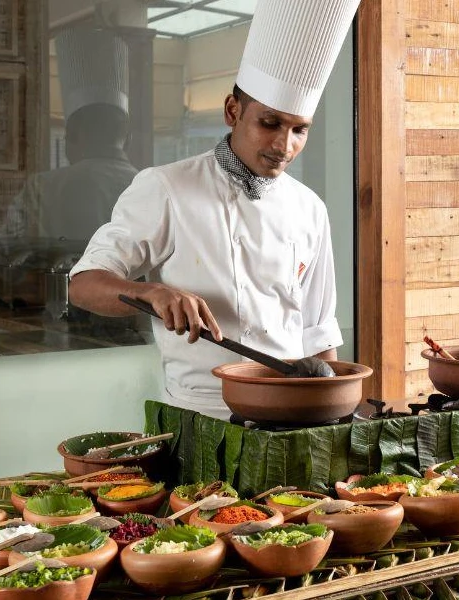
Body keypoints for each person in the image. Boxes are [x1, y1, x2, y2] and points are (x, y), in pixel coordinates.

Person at [67, 0, 359, 419]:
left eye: (300, 130)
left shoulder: (309, 208)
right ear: (232, 111)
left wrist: (333, 415)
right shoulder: (166, 187)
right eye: (270, 123)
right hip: (204, 416)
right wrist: (152, 292)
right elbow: (83, 285)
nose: (284, 146)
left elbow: (317, 334)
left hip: (292, 415)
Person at [0, 102, 149, 344]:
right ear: (127, 140)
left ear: (71, 140)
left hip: (66, 324)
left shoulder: (44, 187)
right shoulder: (152, 187)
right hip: (141, 325)